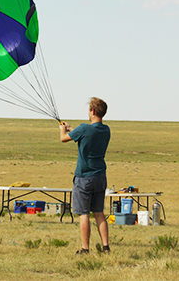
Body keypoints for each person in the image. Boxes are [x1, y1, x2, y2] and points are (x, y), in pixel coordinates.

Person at [59, 97, 111, 255]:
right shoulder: (106, 129)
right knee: (99, 213)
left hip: (84, 177)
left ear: (93, 111)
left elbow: (63, 139)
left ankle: (85, 248)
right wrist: (71, 128)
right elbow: (86, 134)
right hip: (100, 176)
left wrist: (63, 129)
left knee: (83, 214)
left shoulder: (83, 129)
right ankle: (106, 246)